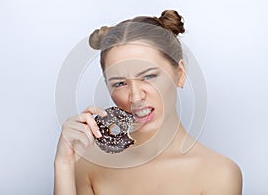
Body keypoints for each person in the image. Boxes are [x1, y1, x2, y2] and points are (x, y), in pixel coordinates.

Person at [54, 10, 243, 195]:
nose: (135, 96)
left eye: (148, 76)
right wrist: (64, 165)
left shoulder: (219, 174)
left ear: (180, 74)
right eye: (120, 83)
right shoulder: (89, 168)